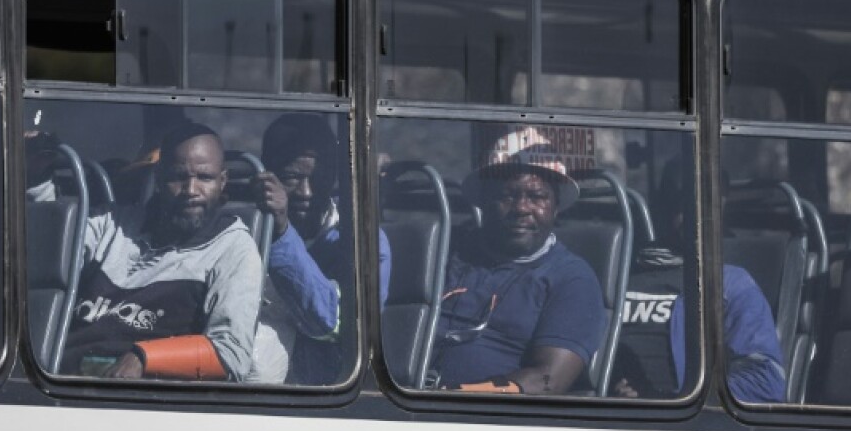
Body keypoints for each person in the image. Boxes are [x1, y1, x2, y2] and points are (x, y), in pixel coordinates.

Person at [61, 121, 263, 380]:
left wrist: (145, 358)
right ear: (158, 178)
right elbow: (44, 264)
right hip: (63, 382)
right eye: (178, 177)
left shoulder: (234, 248)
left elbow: (230, 355)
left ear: (223, 182)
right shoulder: (111, 224)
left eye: (205, 178)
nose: (191, 191)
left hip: (150, 397)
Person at [430, 125, 605, 394]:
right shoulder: (447, 252)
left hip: (489, 419)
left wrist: (462, 393)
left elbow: (549, 380)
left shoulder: (572, 279)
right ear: (484, 201)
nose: (522, 208)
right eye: (507, 196)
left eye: (537, 197)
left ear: (555, 207)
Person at [611, 163, 785, 403]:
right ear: (664, 206)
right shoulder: (618, 275)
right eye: (686, 201)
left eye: (712, 205)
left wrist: (678, 398)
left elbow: (766, 381)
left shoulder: (730, 284)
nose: (700, 215)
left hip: (679, 422)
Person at [250, 114, 390, 384]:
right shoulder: (244, 228)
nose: (305, 192)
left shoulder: (361, 239)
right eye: (291, 177)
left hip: (321, 392)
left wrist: (281, 233)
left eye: (318, 177)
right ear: (268, 174)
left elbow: (332, 321)